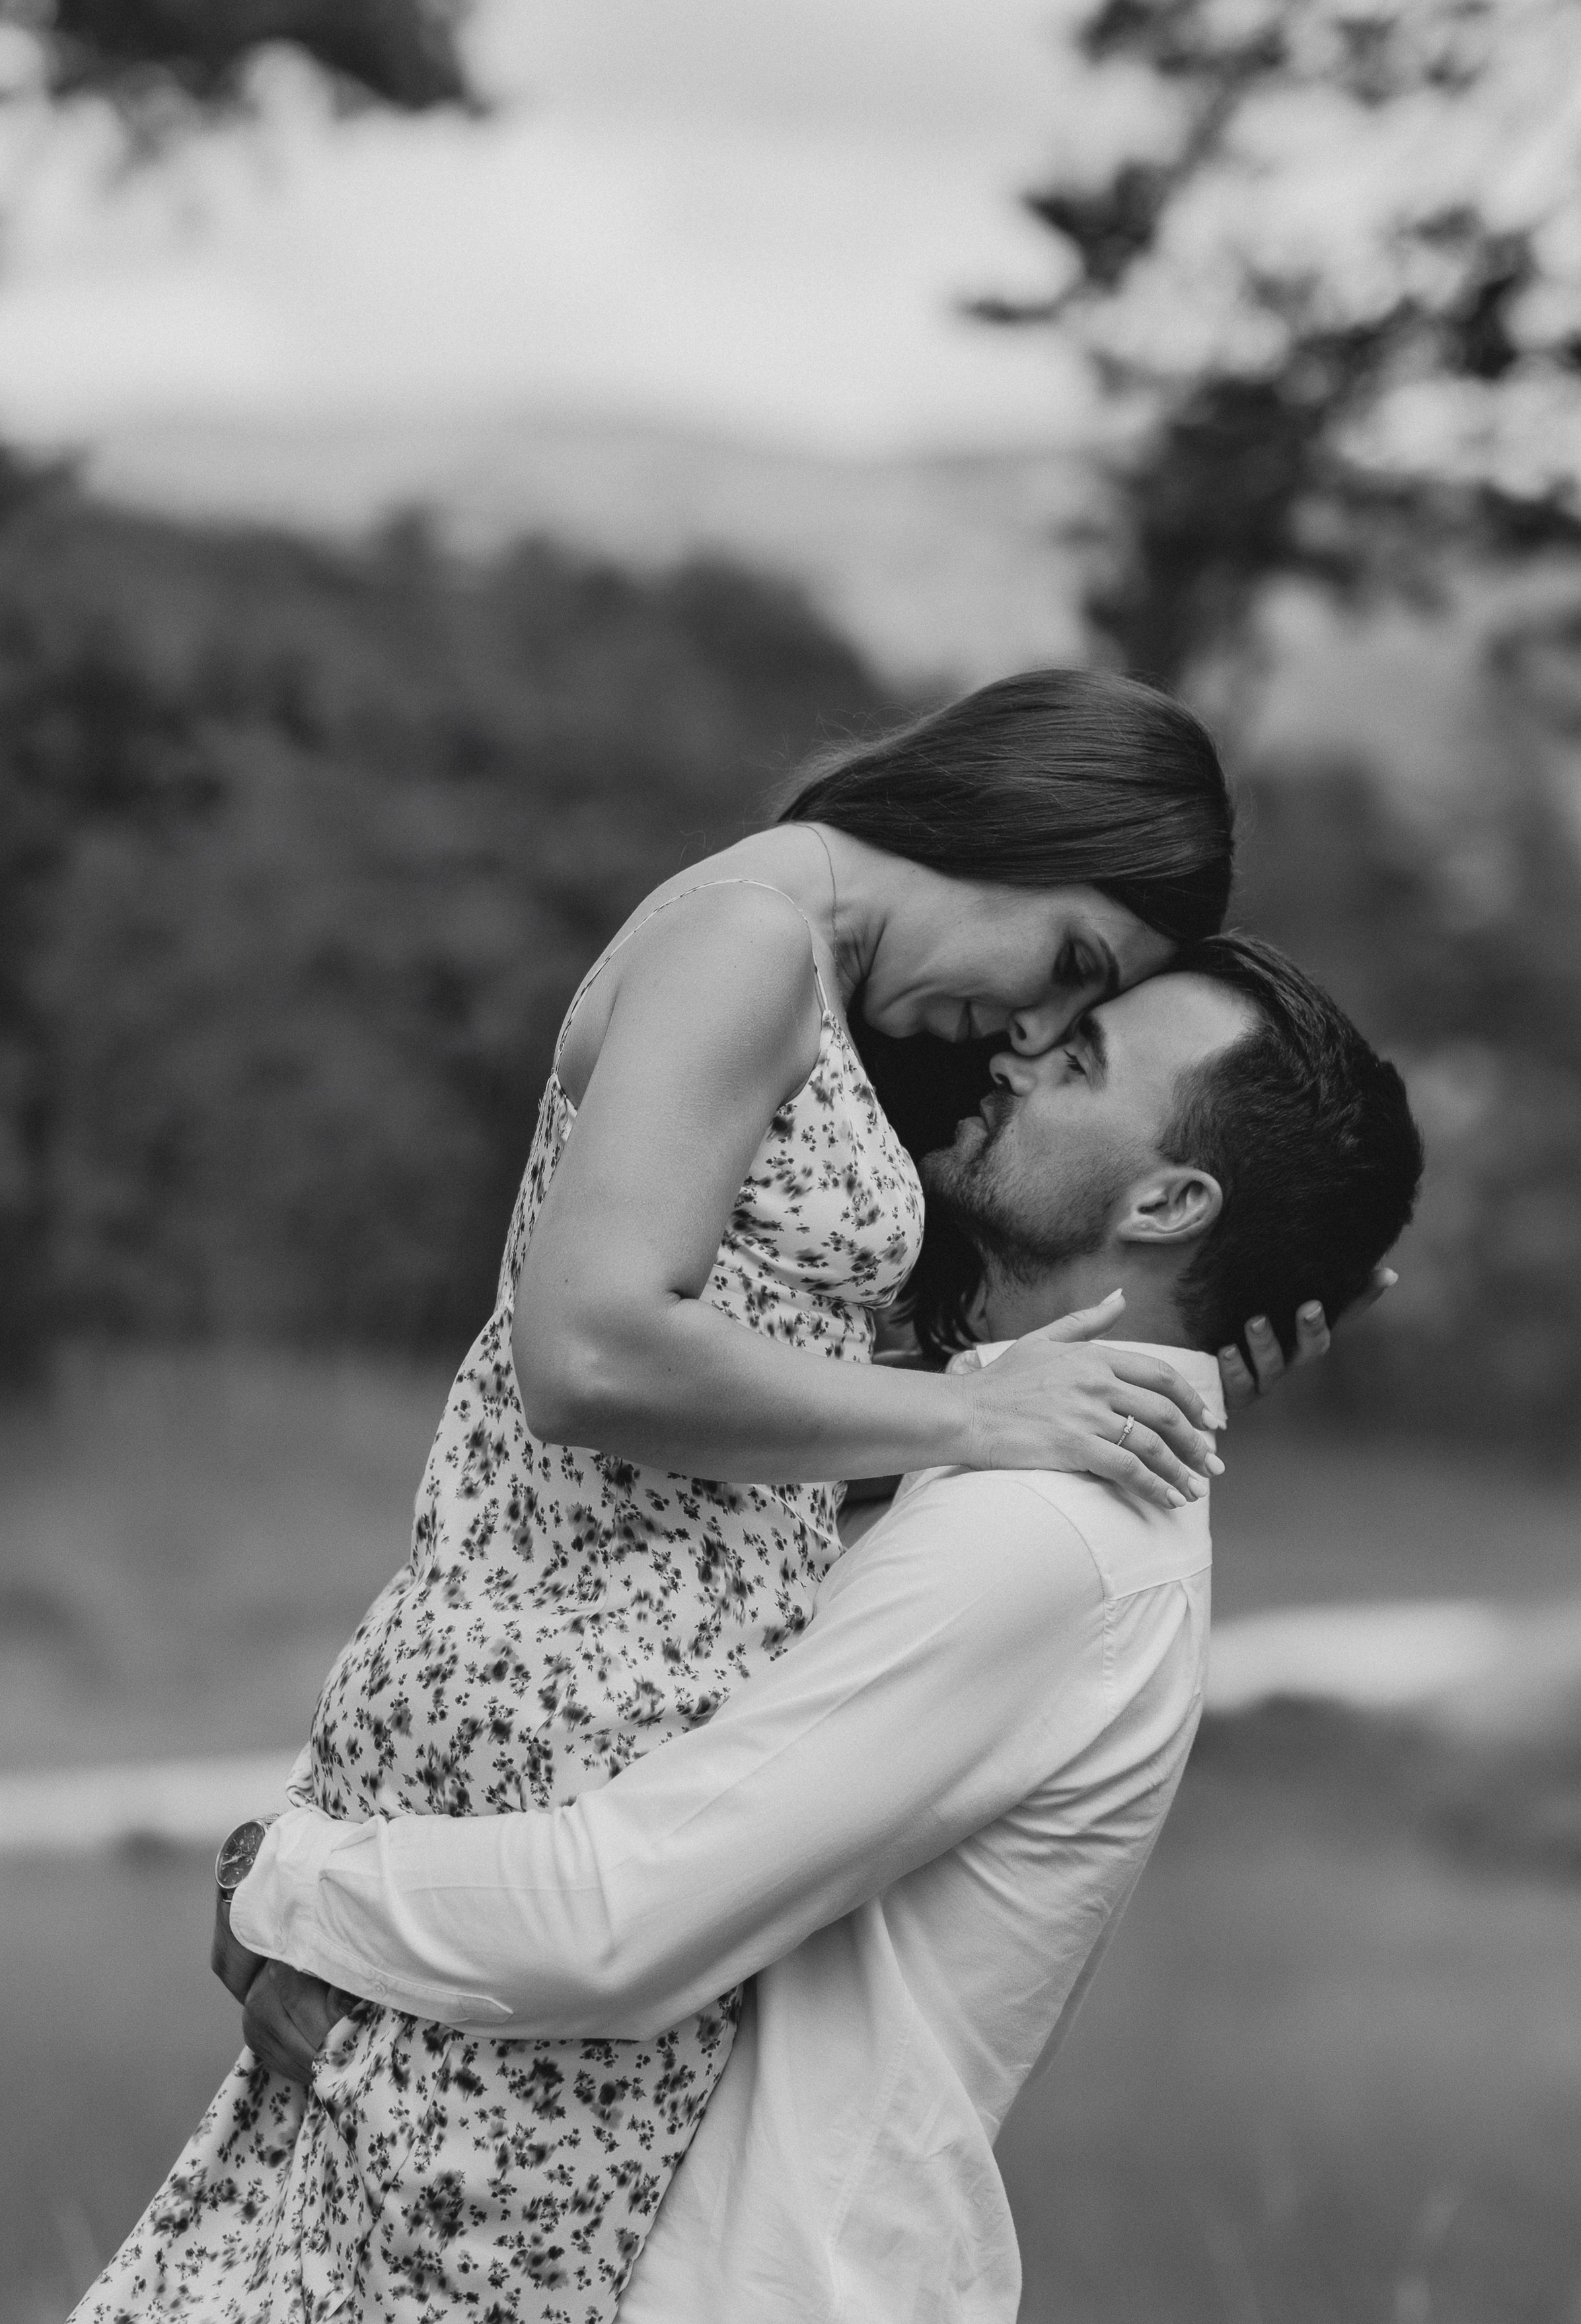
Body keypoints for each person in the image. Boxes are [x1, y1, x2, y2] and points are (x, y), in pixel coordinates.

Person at [79, 669, 1270, 2324]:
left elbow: (724, 1418)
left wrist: (1106, 1367)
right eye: (1066, 965)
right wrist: (971, 1420)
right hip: (562, 1710)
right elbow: (589, 1353)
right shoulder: (741, 940)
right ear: (1015, 821)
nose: (1019, 1025)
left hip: (581, 1694)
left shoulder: (778, 957)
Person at [217, 936, 1424, 2323]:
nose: (1019, 1054)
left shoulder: (1037, 1537)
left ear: (1166, 1200)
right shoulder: (989, 1477)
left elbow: (621, 1916)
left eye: (1078, 1060)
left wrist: (284, 1881)